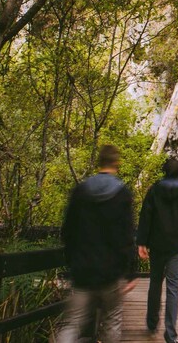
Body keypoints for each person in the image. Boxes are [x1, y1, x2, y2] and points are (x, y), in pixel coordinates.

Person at [56, 145, 137, 343]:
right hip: (111, 271)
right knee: (112, 320)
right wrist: (131, 272)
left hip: (82, 269)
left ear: (99, 162)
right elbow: (127, 235)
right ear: (116, 163)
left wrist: (71, 260)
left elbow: (68, 231)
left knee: (73, 322)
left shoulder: (81, 191)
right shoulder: (122, 194)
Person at [137, 157, 178, 343]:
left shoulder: (155, 190)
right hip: (176, 246)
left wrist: (142, 243)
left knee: (155, 282)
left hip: (157, 244)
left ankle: (151, 322)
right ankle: (171, 334)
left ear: (164, 170)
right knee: (173, 287)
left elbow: (146, 216)